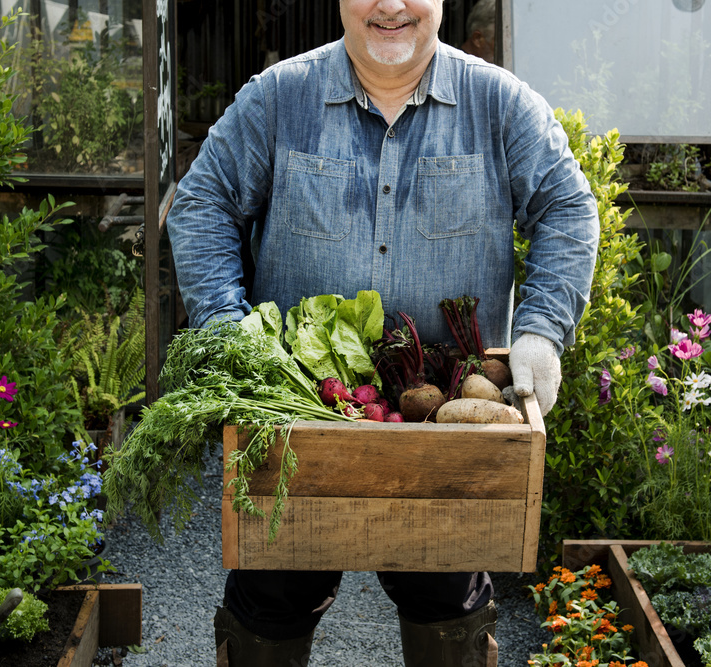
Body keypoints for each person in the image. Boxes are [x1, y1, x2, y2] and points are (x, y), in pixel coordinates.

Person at [166, 1, 600, 665]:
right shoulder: (279, 99)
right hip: (299, 414)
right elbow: (201, 206)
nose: (391, 6)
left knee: (448, 604)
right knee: (271, 600)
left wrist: (540, 330)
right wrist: (228, 332)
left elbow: (567, 208)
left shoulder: (499, 105)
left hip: (447, 422)